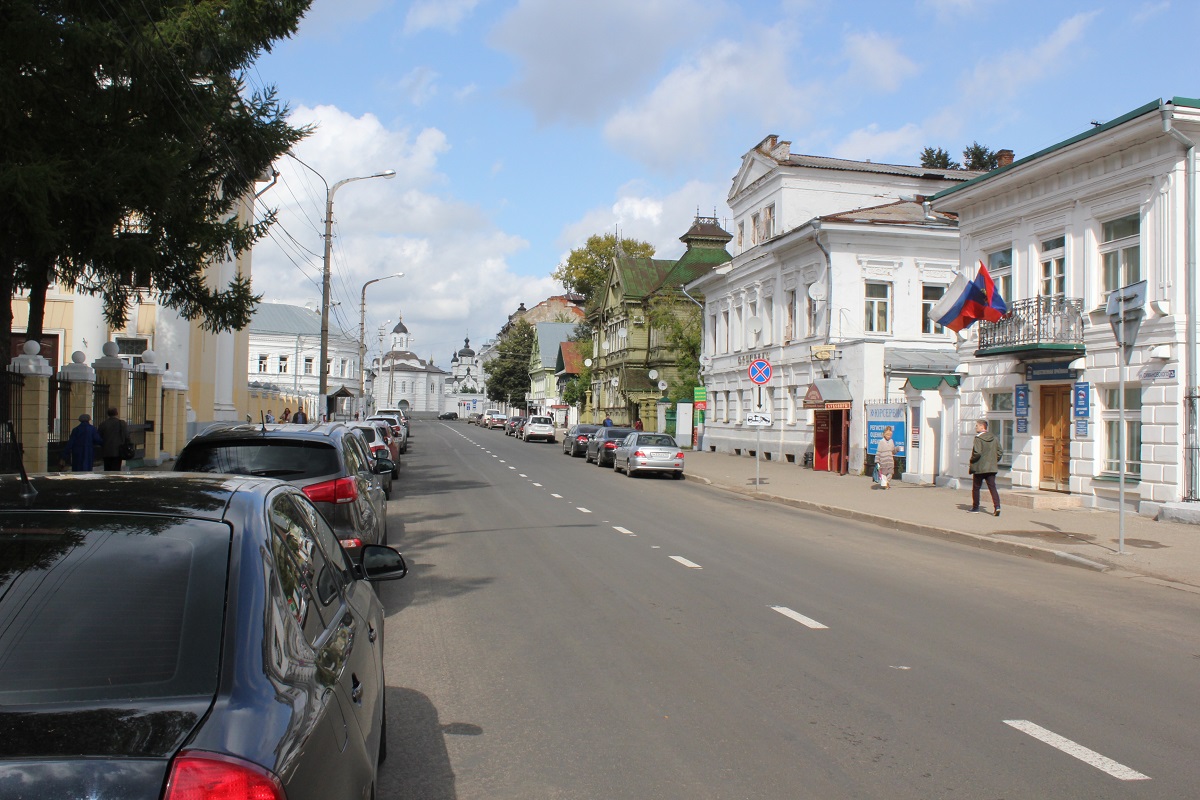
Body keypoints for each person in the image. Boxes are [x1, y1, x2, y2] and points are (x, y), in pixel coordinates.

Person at [970, 419, 1002, 516]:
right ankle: (997, 506)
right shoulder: (994, 437)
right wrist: (993, 461)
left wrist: (972, 460)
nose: (976, 427)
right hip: (991, 468)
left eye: (977, 426)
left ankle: (975, 507)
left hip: (980, 467)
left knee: (976, 488)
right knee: (992, 487)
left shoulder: (978, 438)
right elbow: (1000, 452)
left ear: (982, 426)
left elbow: (977, 452)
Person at [97, 407, 130, 472]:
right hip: (118, 450)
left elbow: (99, 436)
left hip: (106, 450)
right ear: (117, 413)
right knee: (116, 468)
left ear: (108, 414)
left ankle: (107, 478)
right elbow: (127, 436)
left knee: (107, 468)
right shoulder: (122, 423)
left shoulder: (103, 424)